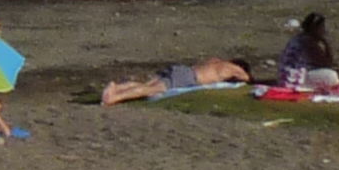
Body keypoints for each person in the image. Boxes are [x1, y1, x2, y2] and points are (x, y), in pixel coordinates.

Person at [100, 57, 252, 105]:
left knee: (147, 85)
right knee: (151, 90)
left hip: (182, 70)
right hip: (187, 77)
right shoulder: (233, 68)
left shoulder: (216, 61)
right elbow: (247, 78)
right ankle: (114, 97)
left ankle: (117, 87)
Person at [276, 13, 339, 92]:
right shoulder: (307, 42)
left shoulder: (300, 38)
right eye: (321, 27)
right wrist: (325, 43)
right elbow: (326, 63)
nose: (323, 30)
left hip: (288, 77)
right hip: (296, 79)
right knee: (332, 76)